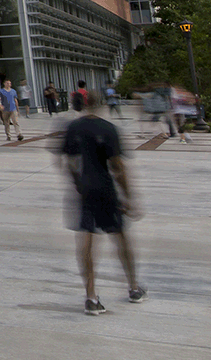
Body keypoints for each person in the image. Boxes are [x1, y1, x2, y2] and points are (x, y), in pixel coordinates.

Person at [58, 92, 146, 315]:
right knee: (120, 237)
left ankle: (91, 296)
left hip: (85, 191)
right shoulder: (109, 129)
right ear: (102, 105)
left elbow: (68, 162)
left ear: (84, 105)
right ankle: (134, 287)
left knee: (86, 241)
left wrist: (78, 184)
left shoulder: (74, 127)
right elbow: (118, 167)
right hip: (106, 188)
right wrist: (128, 197)